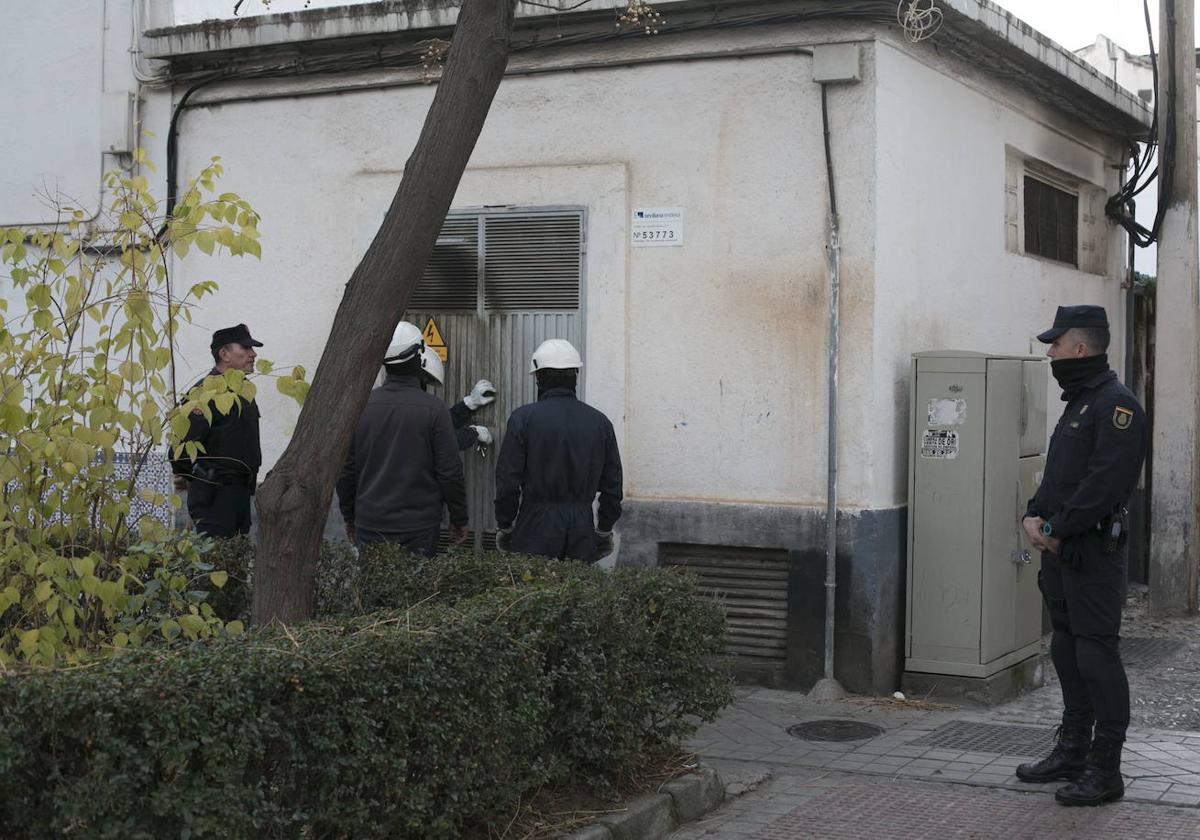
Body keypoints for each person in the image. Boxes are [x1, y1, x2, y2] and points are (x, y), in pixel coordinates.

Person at [1015, 305, 1147, 807]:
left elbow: (1102, 486)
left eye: (1055, 344)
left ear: (1079, 348)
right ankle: (1072, 750)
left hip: (1091, 552)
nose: (1049, 353)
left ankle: (1106, 769)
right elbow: (1059, 476)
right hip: (1061, 552)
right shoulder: (1080, 403)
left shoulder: (1118, 406)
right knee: (1066, 649)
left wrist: (1055, 529)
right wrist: (1034, 516)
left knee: (1096, 655)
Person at [337, 322, 468, 556]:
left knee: (373, 591)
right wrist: (458, 519)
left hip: (370, 522)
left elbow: (346, 470)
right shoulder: (434, 409)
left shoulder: (360, 406)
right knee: (416, 592)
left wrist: (349, 515)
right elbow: (450, 471)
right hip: (419, 526)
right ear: (420, 354)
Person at [494, 338, 623, 563]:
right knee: (574, 595)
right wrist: (603, 529)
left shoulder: (523, 419)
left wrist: (505, 523)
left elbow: (508, 482)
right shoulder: (600, 422)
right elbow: (613, 485)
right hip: (581, 528)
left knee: (534, 592)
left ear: (539, 379)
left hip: (534, 526)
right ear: (575, 375)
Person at [170, 323, 263, 538]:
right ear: (224, 354)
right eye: (246, 349)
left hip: (240, 495)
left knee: (233, 565)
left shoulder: (244, 390)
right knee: (216, 564)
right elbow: (181, 442)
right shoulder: (204, 393)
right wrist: (184, 474)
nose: (253, 354)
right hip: (214, 496)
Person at [418, 346, 496, 451]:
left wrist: (468, 404)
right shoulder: (406, 406)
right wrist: (472, 433)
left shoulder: (400, 401)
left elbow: (438, 425)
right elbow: (437, 440)